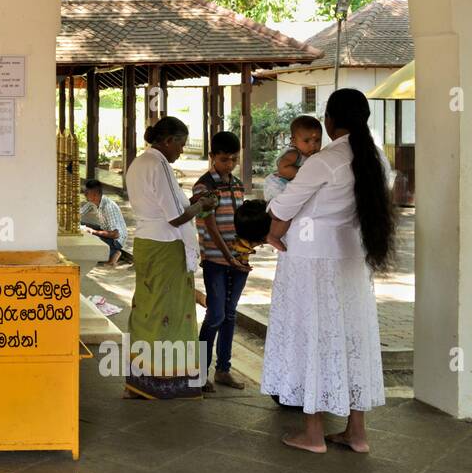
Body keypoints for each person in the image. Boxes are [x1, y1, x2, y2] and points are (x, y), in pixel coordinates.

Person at [262, 88, 395, 453]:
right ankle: (357, 433)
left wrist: (273, 226)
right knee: (351, 339)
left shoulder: (326, 160)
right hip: (352, 260)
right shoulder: (376, 159)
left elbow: (285, 204)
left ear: (331, 120)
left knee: (313, 336)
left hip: (310, 262)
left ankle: (314, 433)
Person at [123, 116, 219, 400]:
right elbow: (176, 217)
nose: (182, 151)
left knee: (147, 311)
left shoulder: (138, 163)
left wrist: (194, 205)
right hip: (166, 247)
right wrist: (202, 204)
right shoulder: (159, 164)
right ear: (167, 141)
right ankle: (169, 382)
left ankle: (140, 381)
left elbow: (166, 207)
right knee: (172, 314)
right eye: (180, 144)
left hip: (146, 243)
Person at [194, 131, 249, 392]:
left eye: (234, 159)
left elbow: (242, 221)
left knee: (229, 315)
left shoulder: (237, 184)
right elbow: (210, 226)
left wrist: (247, 248)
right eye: (225, 159)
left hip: (239, 259)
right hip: (216, 260)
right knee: (215, 315)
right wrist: (229, 256)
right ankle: (199, 373)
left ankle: (223, 370)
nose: (230, 164)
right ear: (212, 157)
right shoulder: (204, 187)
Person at [262, 115, 323, 202]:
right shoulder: (294, 153)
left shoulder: (312, 155)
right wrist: (304, 172)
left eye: (317, 140)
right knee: (283, 205)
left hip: (287, 184)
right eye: (306, 141)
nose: (313, 145)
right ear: (293, 141)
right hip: (277, 184)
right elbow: (282, 168)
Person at [80, 178, 128, 266]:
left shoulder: (108, 207)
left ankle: (114, 252)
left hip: (116, 240)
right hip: (106, 231)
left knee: (88, 252)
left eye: (86, 192)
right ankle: (110, 252)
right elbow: (79, 213)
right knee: (80, 225)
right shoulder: (93, 202)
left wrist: (93, 231)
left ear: (94, 195)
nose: (84, 194)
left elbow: (115, 234)